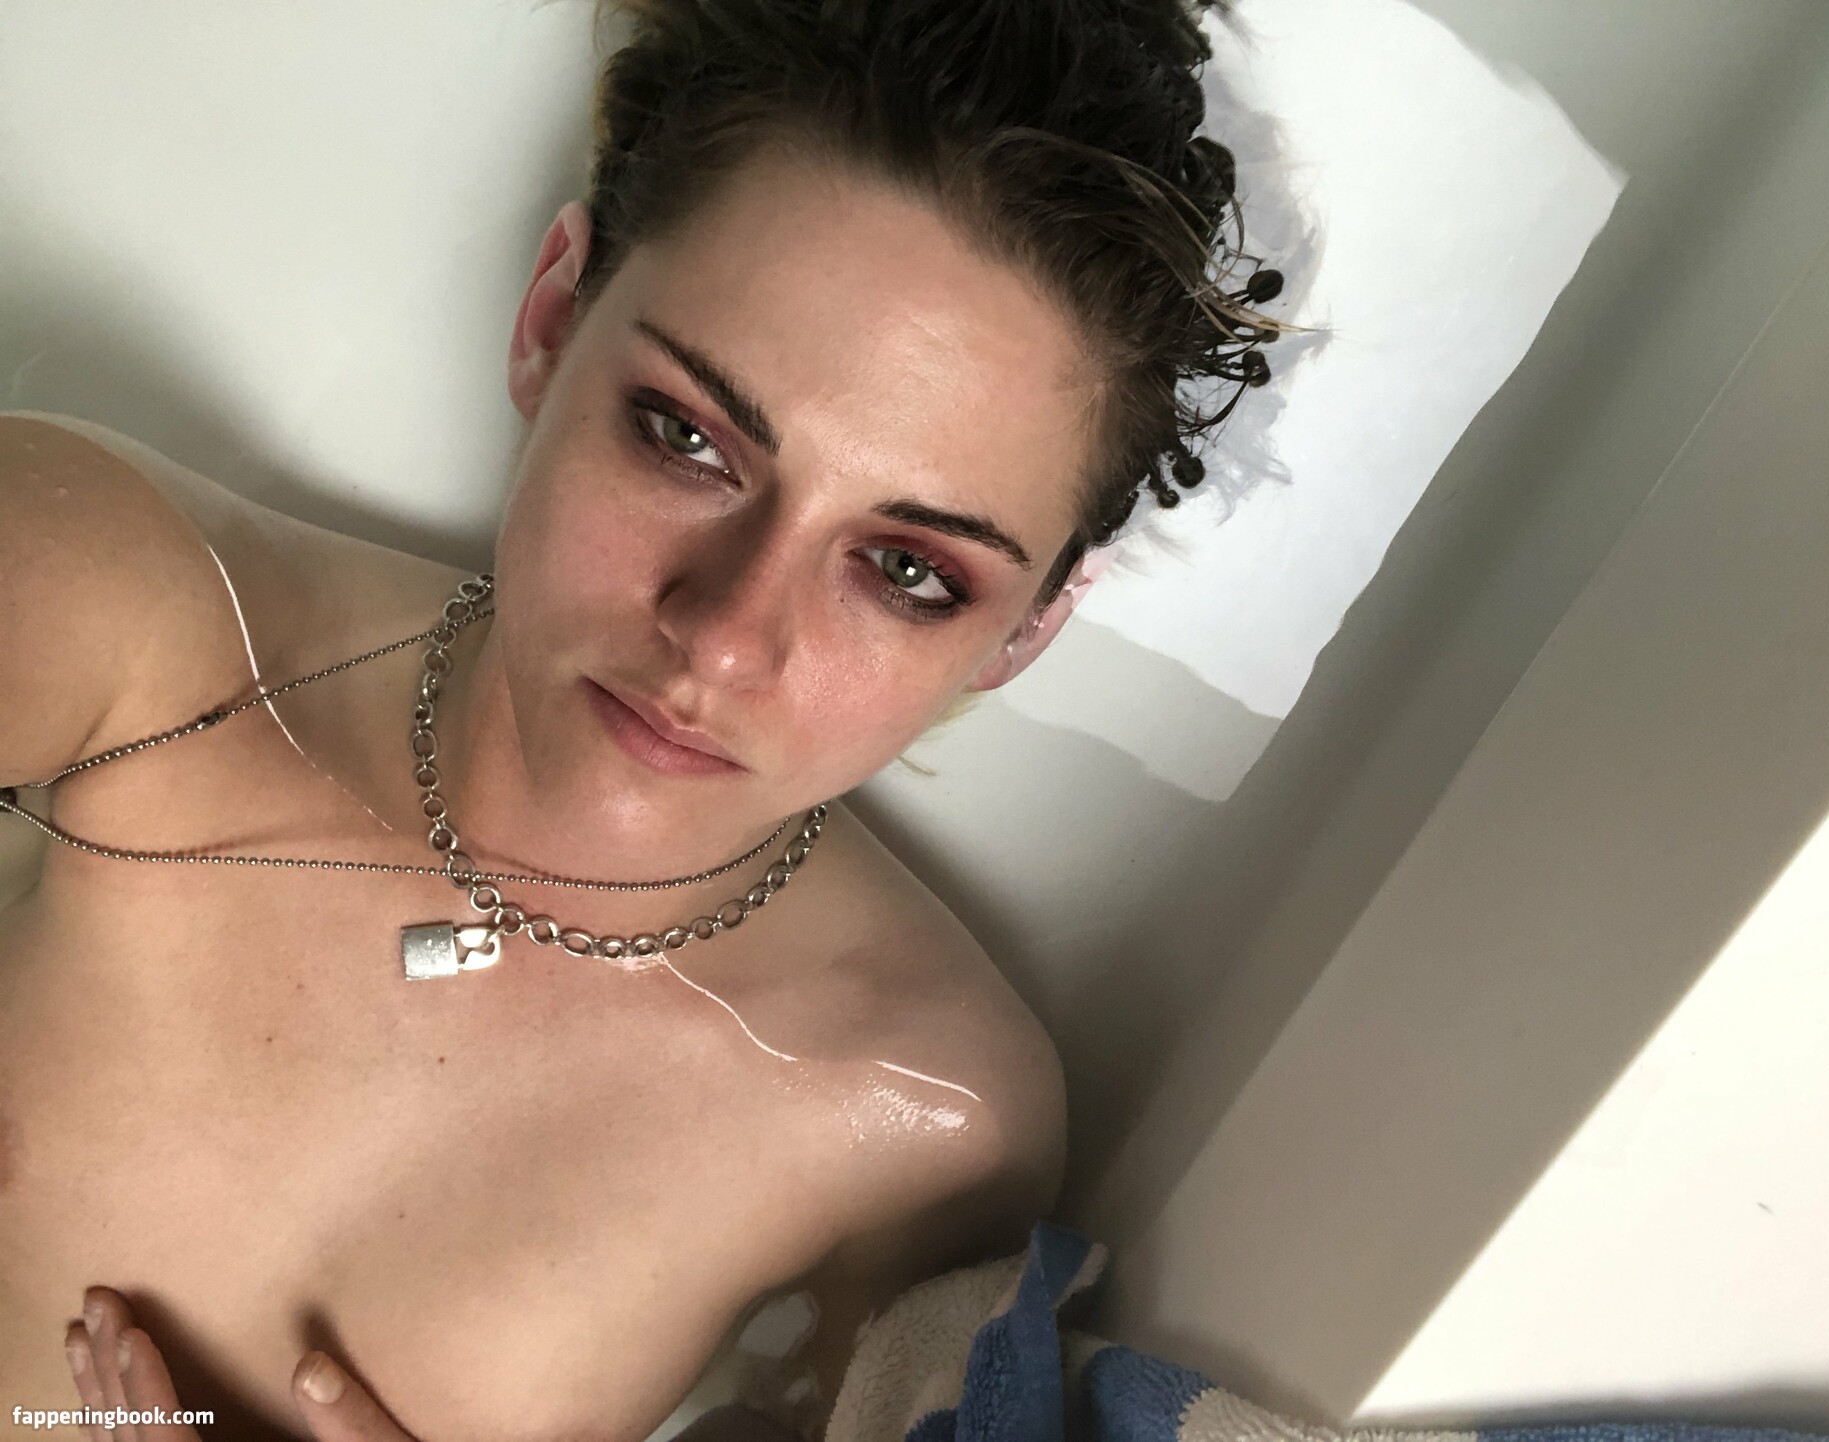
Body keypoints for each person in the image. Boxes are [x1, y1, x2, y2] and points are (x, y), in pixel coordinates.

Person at [0, 0, 1285, 1435]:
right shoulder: (127, 602)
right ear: (553, 322)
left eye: (909, 571)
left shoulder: (924, 1119)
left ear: (1027, 629)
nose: (723, 637)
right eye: (688, 436)